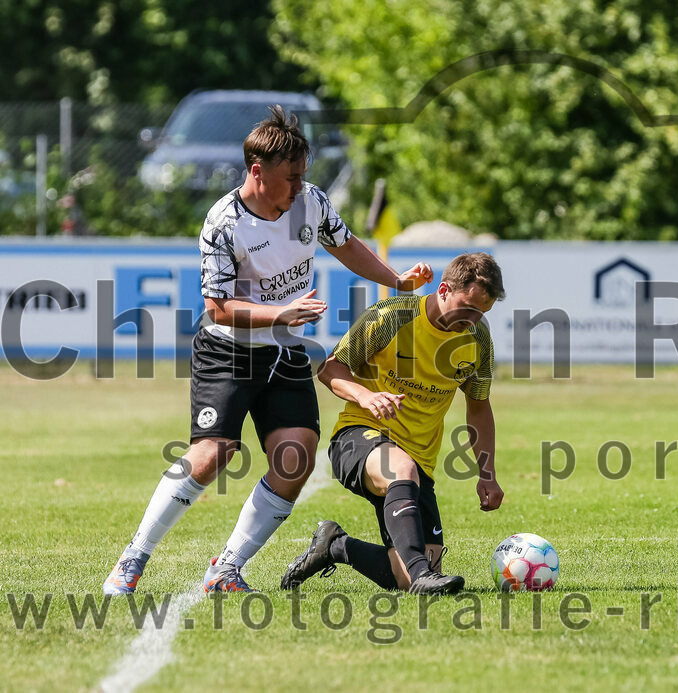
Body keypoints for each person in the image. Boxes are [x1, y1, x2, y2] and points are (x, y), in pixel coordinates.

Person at [103, 105, 433, 594]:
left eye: (303, 177)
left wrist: (395, 278)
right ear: (257, 171)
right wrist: (280, 313)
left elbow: (345, 245)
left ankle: (226, 568)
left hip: (284, 350)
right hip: (229, 351)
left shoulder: (312, 202)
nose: (299, 187)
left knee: (295, 457)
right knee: (213, 453)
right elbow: (217, 308)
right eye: (291, 178)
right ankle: (133, 558)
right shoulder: (223, 222)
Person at [280, 252, 505, 595]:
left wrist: (486, 474)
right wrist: (365, 396)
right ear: (444, 289)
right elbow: (329, 369)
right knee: (401, 468)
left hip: (420, 460)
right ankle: (422, 576)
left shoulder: (477, 339)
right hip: (358, 437)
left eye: (482, 313)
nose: (472, 320)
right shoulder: (391, 317)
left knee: (404, 575)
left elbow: (477, 407)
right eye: (468, 308)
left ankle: (336, 545)